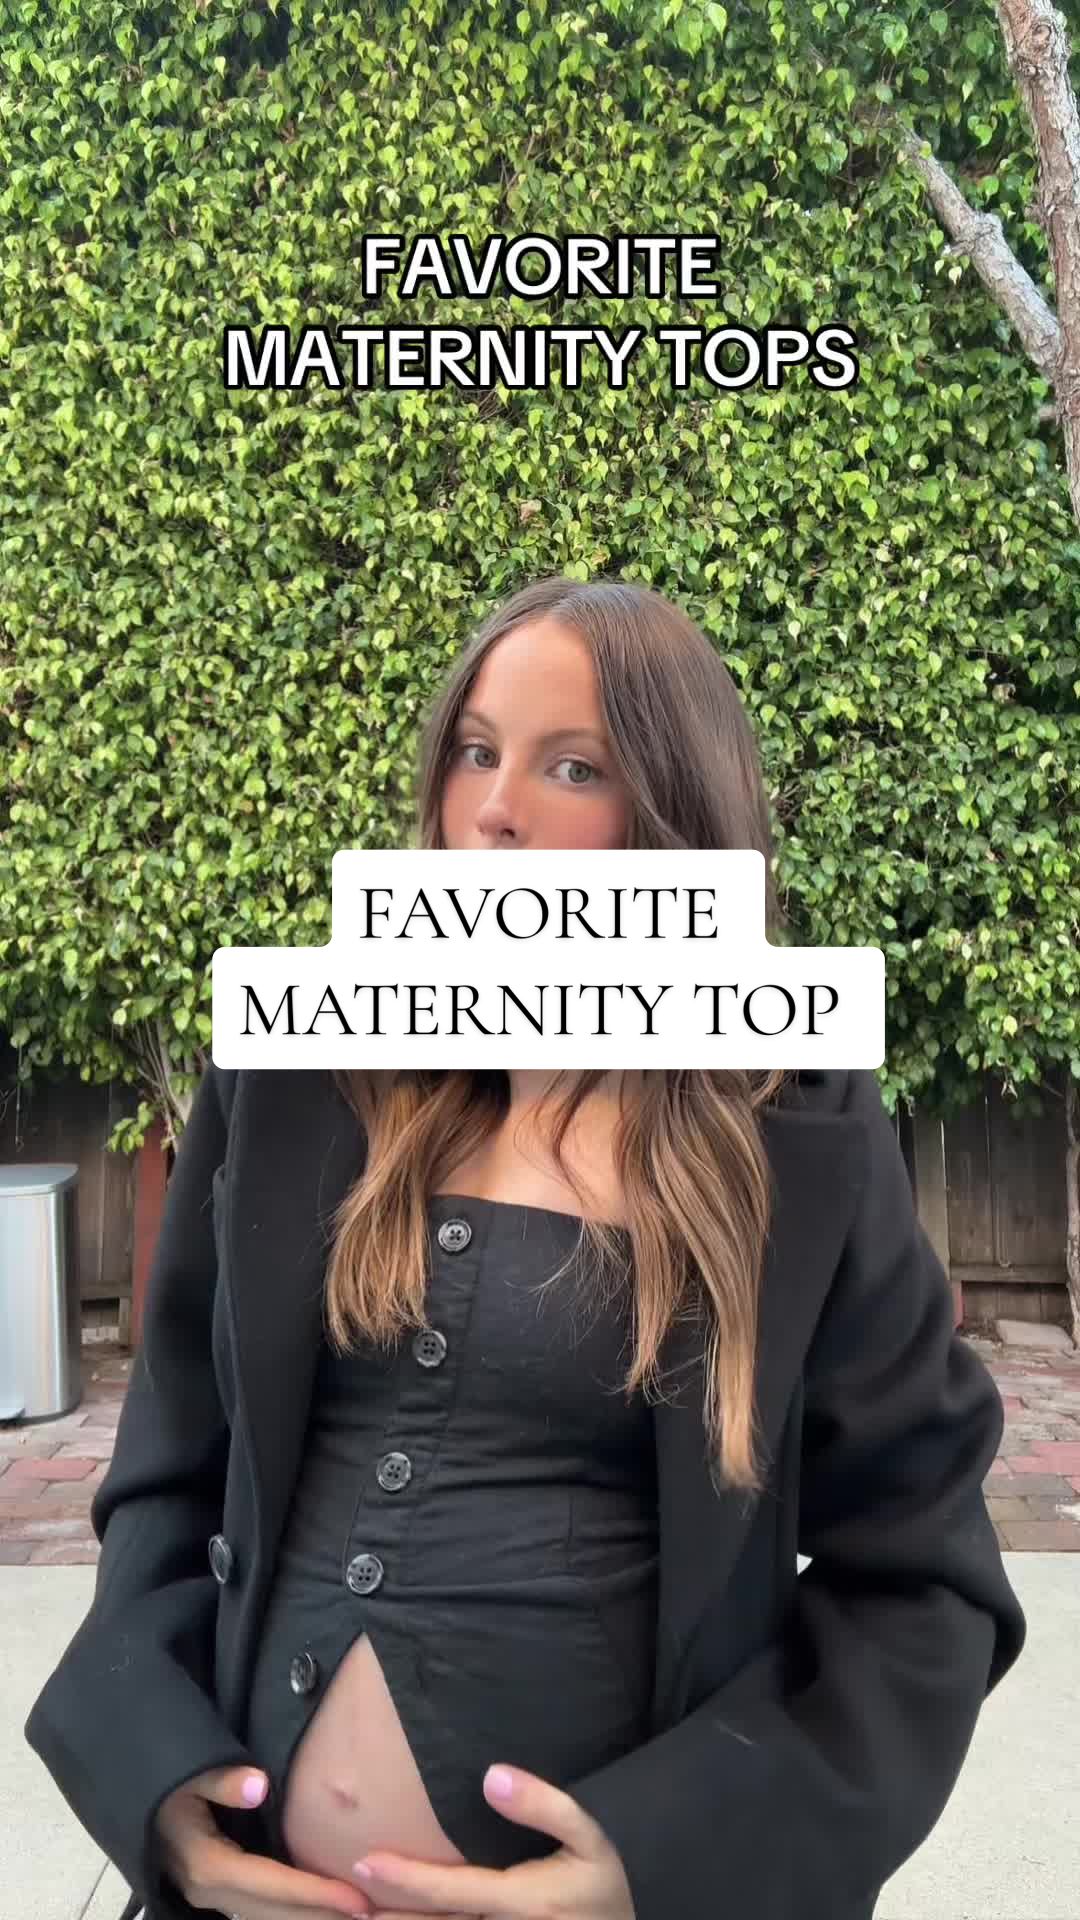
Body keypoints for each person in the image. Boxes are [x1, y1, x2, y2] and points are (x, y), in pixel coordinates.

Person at [25, 574, 1026, 1920]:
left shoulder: (788, 1123)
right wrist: (154, 1785)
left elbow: (924, 1579)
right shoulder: (298, 1073)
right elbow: (169, 1470)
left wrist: (671, 1858)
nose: (495, 808)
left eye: (572, 767)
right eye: (475, 751)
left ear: (673, 820)